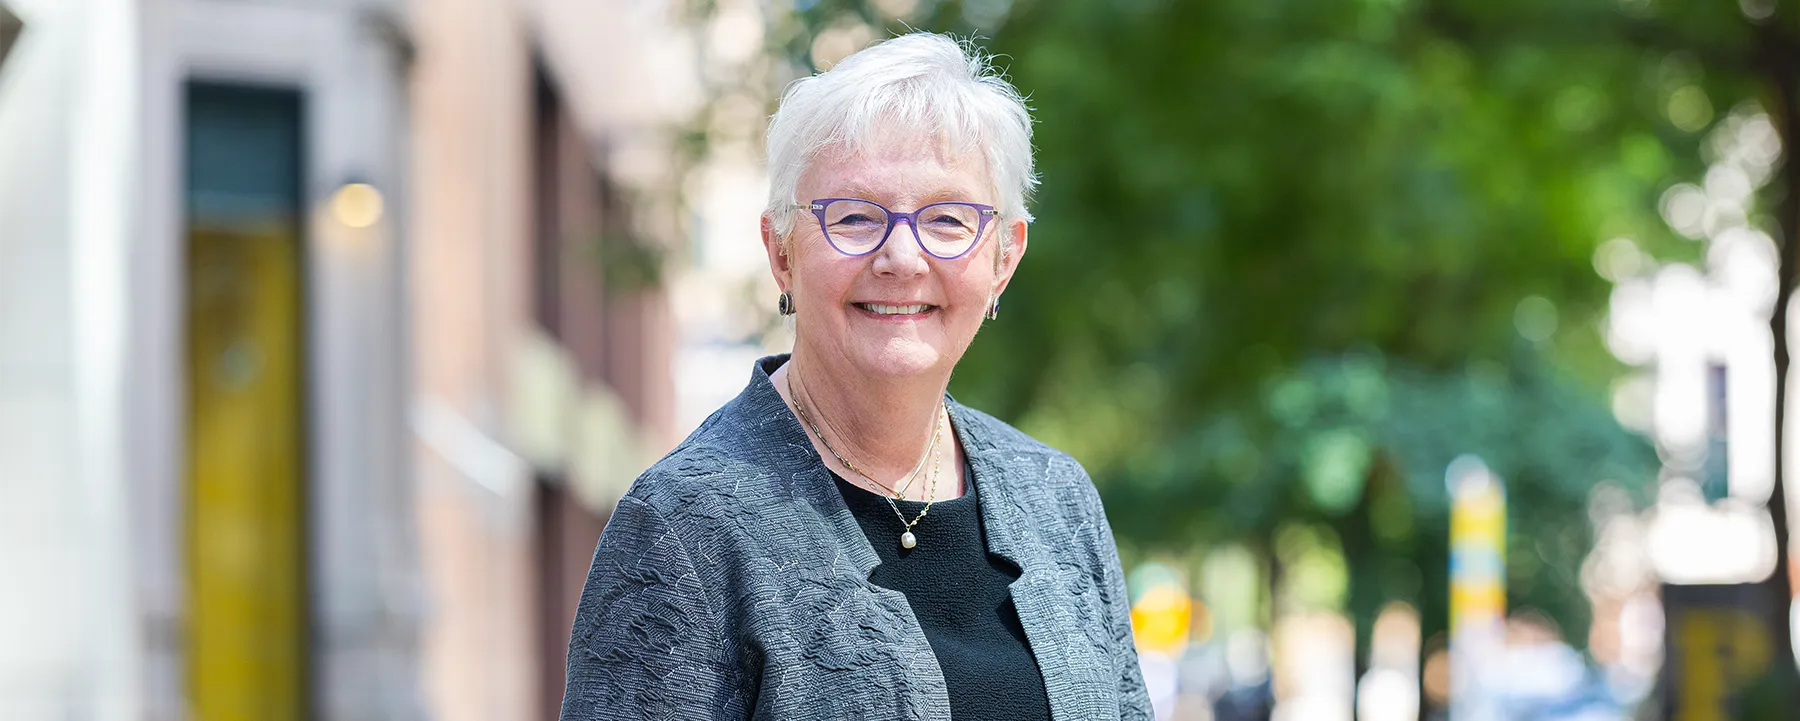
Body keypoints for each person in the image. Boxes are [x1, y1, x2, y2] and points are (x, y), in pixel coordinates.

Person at [560, 32, 1150, 720]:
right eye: (855, 216)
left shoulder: (1058, 499)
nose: (902, 255)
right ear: (781, 252)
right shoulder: (682, 526)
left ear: (1003, 259)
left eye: (949, 218)